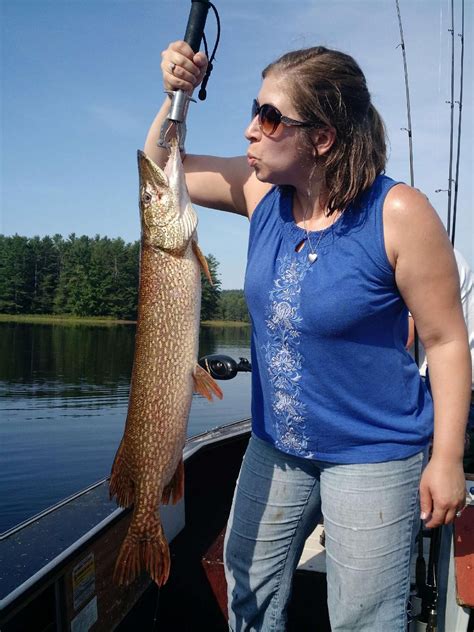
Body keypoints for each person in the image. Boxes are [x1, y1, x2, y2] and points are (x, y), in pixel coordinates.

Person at [145, 41, 471, 631]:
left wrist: (446, 459)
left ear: (321, 137)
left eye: (269, 117)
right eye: (253, 109)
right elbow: (159, 172)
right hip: (277, 445)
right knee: (247, 588)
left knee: (362, 620)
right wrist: (178, 96)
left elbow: (447, 342)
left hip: (373, 453)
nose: (249, 129)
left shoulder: (398, 212)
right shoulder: (260, 192)